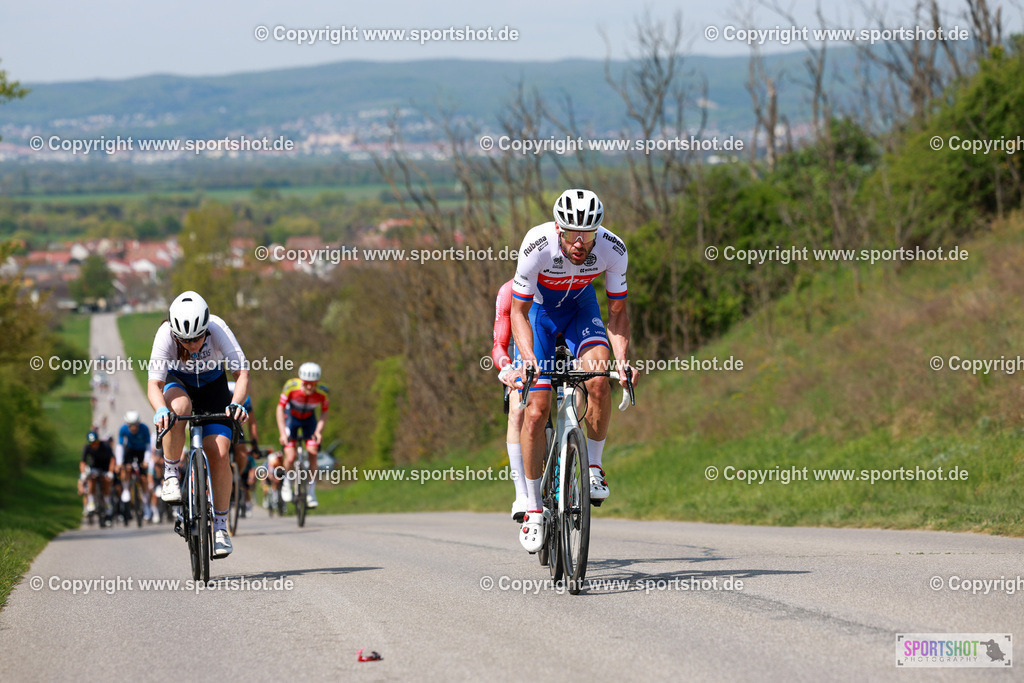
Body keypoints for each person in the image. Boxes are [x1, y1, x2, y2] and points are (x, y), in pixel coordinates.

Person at [510, 189, 638, 552]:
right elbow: (517, 312)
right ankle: (534, 508)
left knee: (599, 380)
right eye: (571, 234)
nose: (580, 243)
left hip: (581, 307)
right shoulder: (537, 245)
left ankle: (593, 468)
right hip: (540, 316)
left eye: (588, 234)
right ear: (558, 228)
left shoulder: (613, 249)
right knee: (536, 411)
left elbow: (618, 315)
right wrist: (528, 358)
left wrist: (623, 361)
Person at [148, 290, 250, 557]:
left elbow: (241, 373)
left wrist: (236, 403)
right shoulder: (165, 334)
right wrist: (160, 410)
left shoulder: (217, 328)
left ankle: (219, 527)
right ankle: (171, 473)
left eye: (197, 338)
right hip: (178, 383)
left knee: (219, 451)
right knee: (178, 408)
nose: (193, 346)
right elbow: (154, 384)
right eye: (186, 340)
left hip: (214, 387)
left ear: (206, 328)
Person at [492, 279, 530, 523]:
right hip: (522, 355)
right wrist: (507, 369)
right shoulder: (509, 291)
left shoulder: (567, 281)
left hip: (559, 351)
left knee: (577, 396)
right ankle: (522, 495)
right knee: (517, 410)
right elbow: (499, 345)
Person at [275, 362, 328, 508]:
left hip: (309, 421)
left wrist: (318, 431)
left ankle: (311, 492)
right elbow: (280, 408)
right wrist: (282, 433)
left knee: (313, 452)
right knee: (290, 456)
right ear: (301, 381)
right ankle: (286, 483)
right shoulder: (291, 387)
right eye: (306, 384)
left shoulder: (323, 392)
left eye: (313, 384)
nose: (310, 387)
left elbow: (324, 412)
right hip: (291, 419)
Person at [227, 381, 260, 517]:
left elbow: (252, 423)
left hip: (235, 425)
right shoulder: (223, 393)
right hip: (219, 419)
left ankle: (236, 476)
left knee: (241, 451)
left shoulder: (245, 400)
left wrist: (254, 444)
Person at [116, 410, 152, 519]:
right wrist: (119, 463)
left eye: (135, 425)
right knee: (125, 469)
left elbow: (148, 446)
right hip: (130, 450)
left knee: (144, 479)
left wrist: (146, 461)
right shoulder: (123, 429)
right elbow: (120, 446)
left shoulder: (144, 429)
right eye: (131, 426)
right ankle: (126, 489)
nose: (133, 428)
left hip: (141, 451)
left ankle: (146, 505)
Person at [80, 430, 115, 516]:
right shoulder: (87, 447)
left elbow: (112, 459)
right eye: (91, 443)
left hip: (105, 467)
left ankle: (107, 502)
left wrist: (110, 472)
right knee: (91, 479)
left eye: (95, 442)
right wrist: (83, 473)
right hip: (94, 466)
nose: (93, 445)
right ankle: (91, 501)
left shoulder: (105, 446)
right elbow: (83, 462)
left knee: (106, 481)